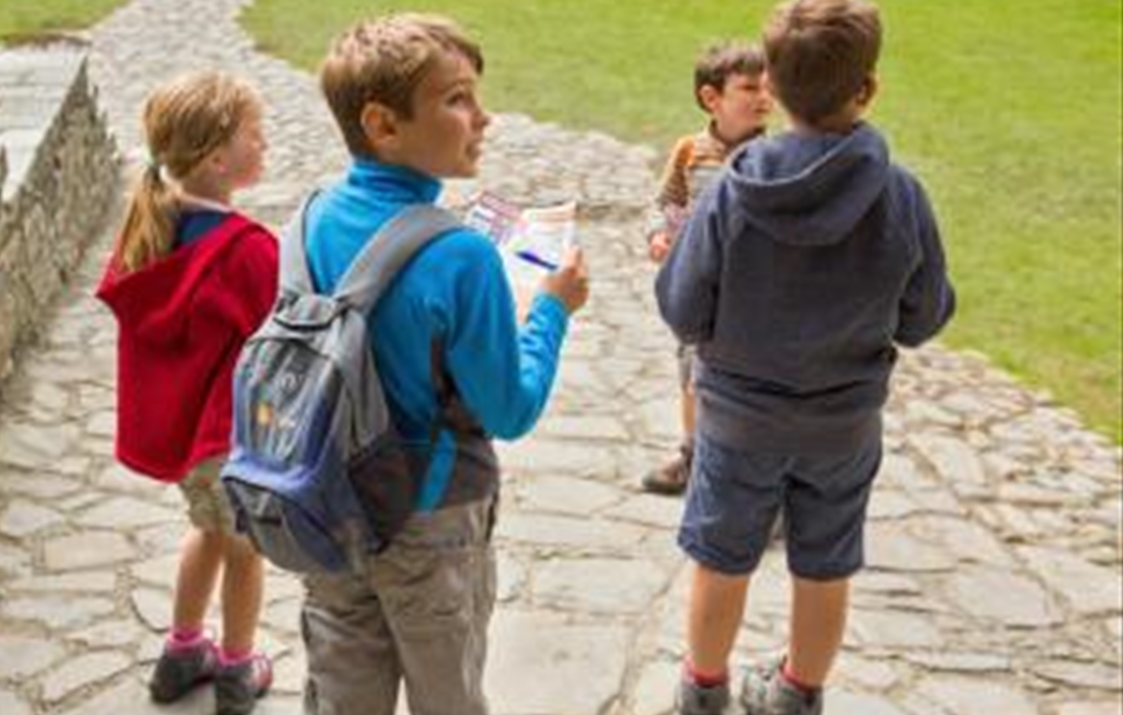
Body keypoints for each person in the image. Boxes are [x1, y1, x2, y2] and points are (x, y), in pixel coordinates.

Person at [655, 0, 956, 713]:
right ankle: (797, 693)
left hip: (737, 420)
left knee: (721, 556)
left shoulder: (731, 191)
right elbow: (923, 317)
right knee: (825, 563)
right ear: (867, 88)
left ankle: (702, 691)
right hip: (842, 426)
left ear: (774, 87)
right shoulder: (901, 196)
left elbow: (682, 308)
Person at [297, 13, 589, 715]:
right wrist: (552, 310)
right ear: (382, 124)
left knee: (341, 697)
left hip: (326, 506)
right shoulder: (461, 256)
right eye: (458, 99)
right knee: (447, 696)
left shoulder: (309, 217)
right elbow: (510, 411)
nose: (484, 118)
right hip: (429, 517)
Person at [95, 71, 278, 715]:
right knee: (245, 551)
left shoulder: (145, 233)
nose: (265, 142)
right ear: (216, 158)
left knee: (205, 530)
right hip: (232, 438)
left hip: (187, 441)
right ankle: (237, 667)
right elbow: (277, 341)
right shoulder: (248, 251)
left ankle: (181, 651)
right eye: (254, 134)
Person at [642, 41, 773, 496]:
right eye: (750, 88)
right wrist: (657, 235)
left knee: (747, 380)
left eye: (768, 88)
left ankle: (750, 468)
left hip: (751, 293)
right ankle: (693, 455)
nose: (764, 98)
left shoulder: (774, 157)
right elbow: (665, 203)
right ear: (711, 98)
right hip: (698, 286)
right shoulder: (689, 151)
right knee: (691, 370)